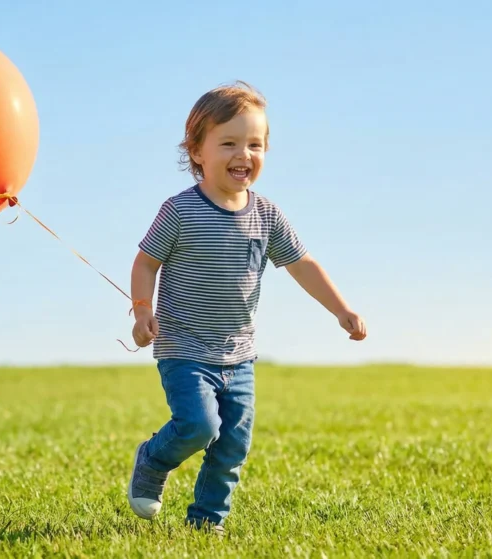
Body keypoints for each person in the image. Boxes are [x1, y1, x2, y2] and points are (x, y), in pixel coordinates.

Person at [126, 81, 366, 534]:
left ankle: (206, 522)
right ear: (197, 151)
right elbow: (146, 262)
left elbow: (302, 264)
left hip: (240, 356)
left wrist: (341, 310)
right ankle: (153, 459)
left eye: (255, 144)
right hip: (184, 347)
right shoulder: (180, 211)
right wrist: (142, 310)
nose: (244, 154)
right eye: (229, 143)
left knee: (233, 442)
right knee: (199, 426)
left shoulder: (267, 215)